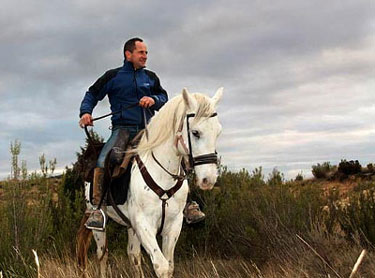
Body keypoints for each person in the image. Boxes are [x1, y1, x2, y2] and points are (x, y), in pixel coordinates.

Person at [79, 37, 205, 230]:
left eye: (146, 52)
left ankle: (188, 204)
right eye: (141, 52)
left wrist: (153, 99)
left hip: (151, 129)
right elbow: (92, 94)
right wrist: (86, 112)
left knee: (181, 154)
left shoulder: (151, 77)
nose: (145, 56)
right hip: (123, 129)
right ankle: (98, 210)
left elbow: (165, 99)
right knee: (106, 158)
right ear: (128, 54)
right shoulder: (113, 76)